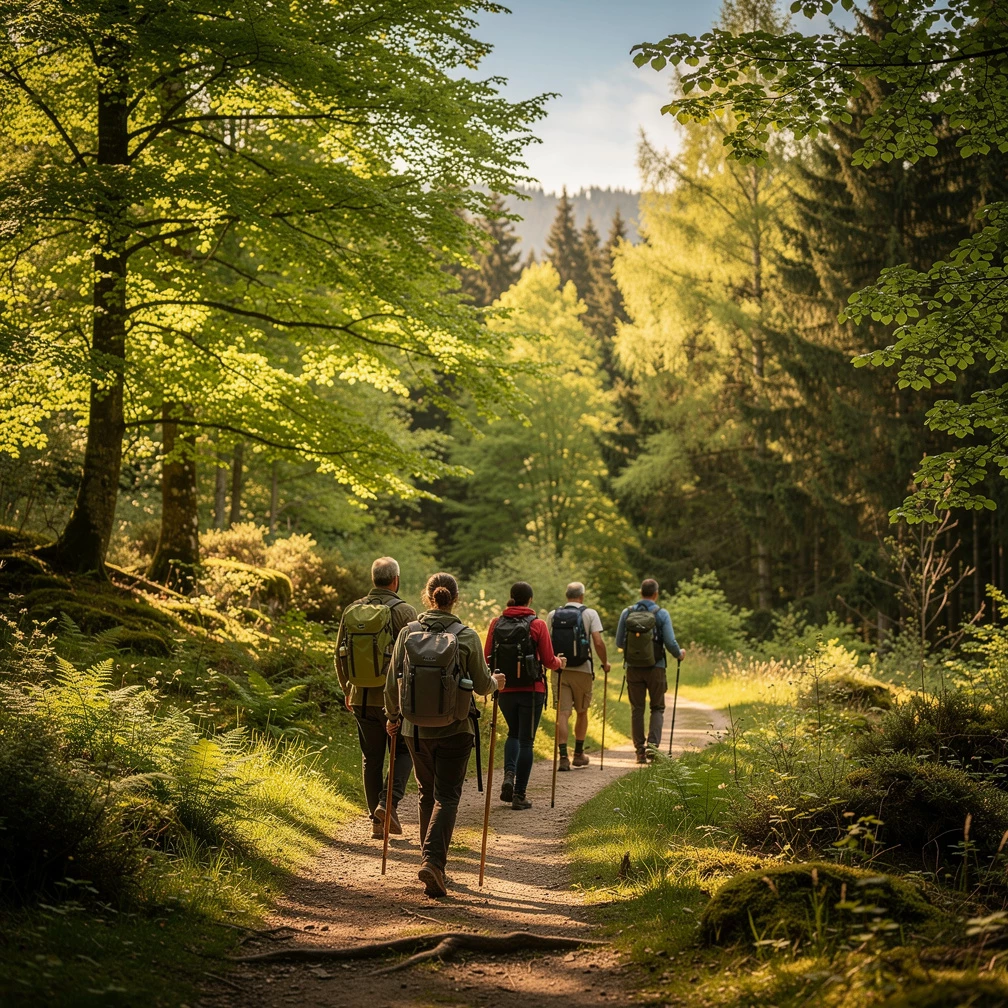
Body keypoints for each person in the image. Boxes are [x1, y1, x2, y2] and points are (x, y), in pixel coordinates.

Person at [385, 572, 505, 898]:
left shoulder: (408, 632)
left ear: (428, 597)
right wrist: (498, 683)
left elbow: (393, 680)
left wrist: (393, 718)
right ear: (456, 598)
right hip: (455, 728)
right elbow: (482, 685)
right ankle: (433, 863)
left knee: (427, 793)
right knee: (447, 796)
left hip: (414, 730)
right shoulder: (466, 636)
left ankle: (430, 862)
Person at [335, 557, 417, 839]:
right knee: (404, 751)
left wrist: (348, 689)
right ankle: (387, 804)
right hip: (392, 699)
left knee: (371, 758)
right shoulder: (405, 611)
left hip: (360, 696)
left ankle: (377, 821)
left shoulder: (352, 610)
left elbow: (339, 654)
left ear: (374, 579)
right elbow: (414, 656)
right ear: (395, 580)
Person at [484, 581, 566, 810]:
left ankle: (509, 775)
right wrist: (561, 663)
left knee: (512, 732)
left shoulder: (495, 623)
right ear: (529, 600)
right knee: (526, 740)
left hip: (505, 688)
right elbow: (549, 661)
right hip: (531, 690)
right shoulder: (537, 624)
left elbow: (487, 656)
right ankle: (519, 795)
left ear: (511, 597)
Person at [615, 578, 686, 764]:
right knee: (657, 708)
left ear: (640, 593)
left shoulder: (627, 612)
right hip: (656, 668)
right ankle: (653, 749)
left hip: (633, 669)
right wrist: (679, 654)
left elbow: (619, 642)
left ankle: (639, 751)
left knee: (637, 709)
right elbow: (670, 642)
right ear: (656, 594)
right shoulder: (661, 614)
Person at [547, 582, 610, 771]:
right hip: (583, 669)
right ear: (581, 597)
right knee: (582, 711)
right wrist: (604, 663)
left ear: (567, 596)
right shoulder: (590, 614)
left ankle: (563, 757)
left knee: (563, 713)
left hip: (560, 668)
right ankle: (579, 755)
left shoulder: (553, 615)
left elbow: (548, 642)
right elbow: (598, 642)